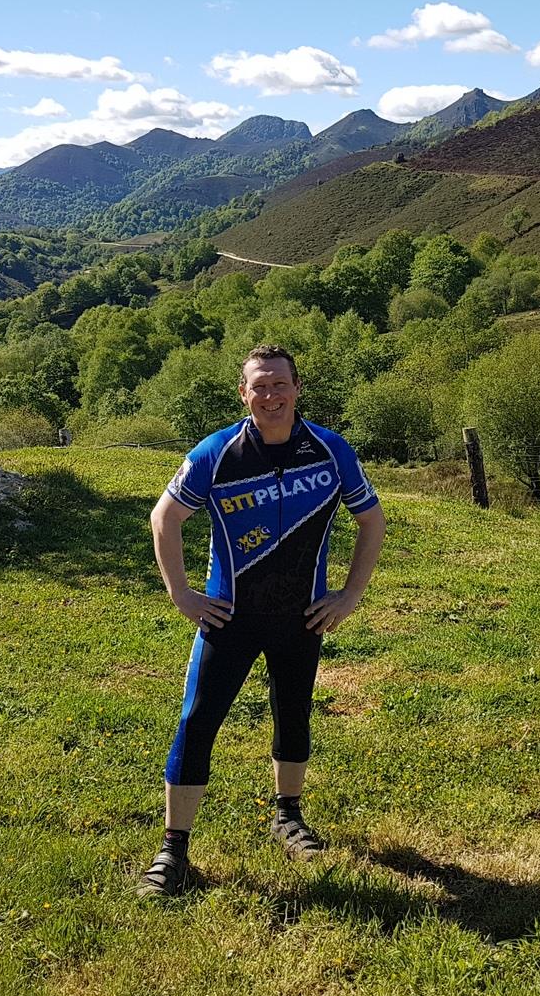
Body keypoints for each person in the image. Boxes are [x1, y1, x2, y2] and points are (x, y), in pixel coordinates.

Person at [138, 344, 386, 897]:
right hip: (230, 615)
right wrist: (181, 593)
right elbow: (164, 518)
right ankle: (174, 849)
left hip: (302, 616)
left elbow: (372, 521)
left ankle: (288, 816)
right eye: (260, 386)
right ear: (243, 394)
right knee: (197, 722)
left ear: (297, 389)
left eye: (280, 384)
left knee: (293, 714)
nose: (270, 395)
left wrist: (349, 595)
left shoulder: (331, 450)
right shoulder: (217, 453)